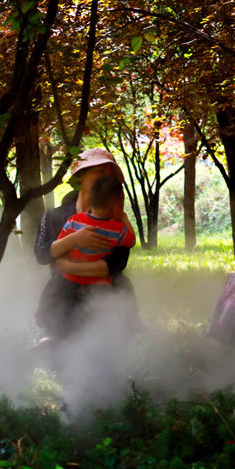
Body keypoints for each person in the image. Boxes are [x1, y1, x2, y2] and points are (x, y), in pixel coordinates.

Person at [33, 147, 138, 342]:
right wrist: (72, 240)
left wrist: (64, 265)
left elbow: (116, 264)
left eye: (109, 173)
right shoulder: (53, 216)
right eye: (99, 171)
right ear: (80, 177)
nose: (105, 177)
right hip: (64, 296)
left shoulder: (116, 222)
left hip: (106, 295)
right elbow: (41, 254)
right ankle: (48, 334)